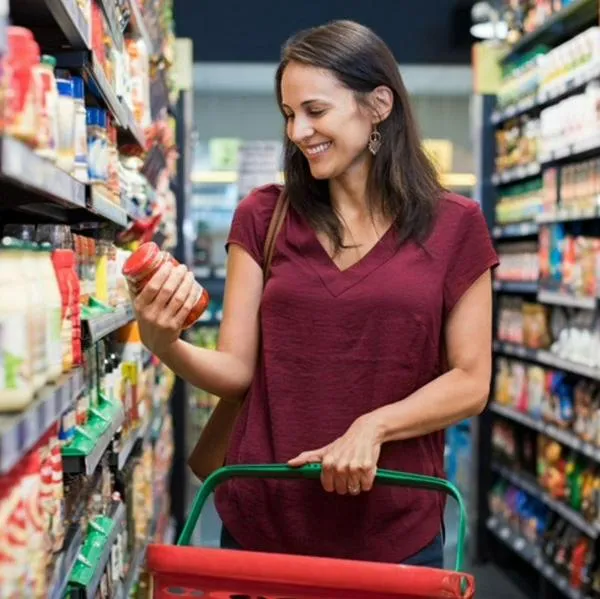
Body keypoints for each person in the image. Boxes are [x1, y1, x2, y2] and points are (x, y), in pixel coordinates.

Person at [131, 20, 498, 568]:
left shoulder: (455, 224)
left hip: (394, 525)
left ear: (378, 105)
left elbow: (471, 381)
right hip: (266, 519)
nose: (298, 131)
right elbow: (237, 371)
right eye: (288, 115)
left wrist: (373, 426)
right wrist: (166, 344)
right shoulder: (263, 215)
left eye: (315, 111)